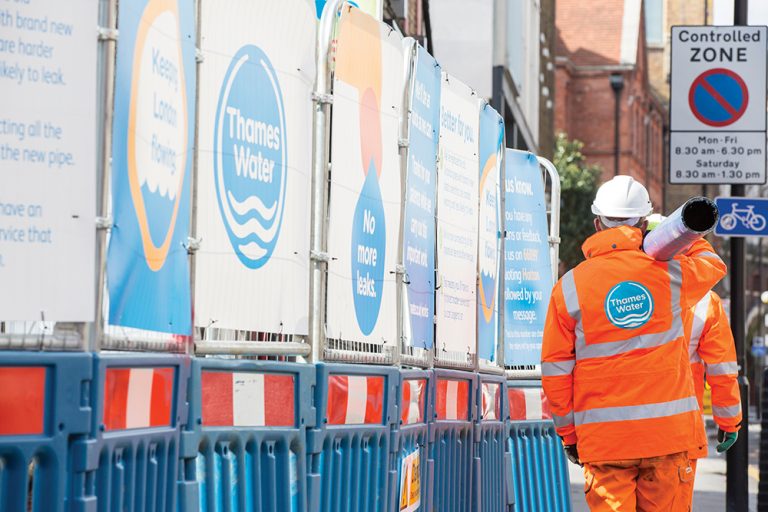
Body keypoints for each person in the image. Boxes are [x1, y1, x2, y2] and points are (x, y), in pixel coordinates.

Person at [541, 176, 727, 511]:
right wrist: (682, 235)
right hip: (668, 438)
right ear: (644, 223)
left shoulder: (569, 288)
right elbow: (713, 265)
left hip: (605, 443)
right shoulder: (672, 274)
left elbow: (555, 371)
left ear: (597, 224)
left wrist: (569, 435)